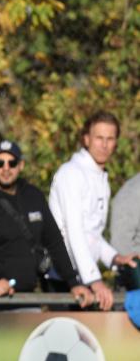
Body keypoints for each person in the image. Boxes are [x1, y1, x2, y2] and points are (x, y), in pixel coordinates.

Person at [0, 140, 93, 306]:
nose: (6, 168)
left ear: (21, 165)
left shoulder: (34, 196)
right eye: (0, 163)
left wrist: (73, 283)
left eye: (12, 163)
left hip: (30, 300)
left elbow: (54, 242)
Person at [49, 112, 139, 310]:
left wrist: (115, 258)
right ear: (86, 139)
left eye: (110, 139)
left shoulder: (100, 177)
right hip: (64, 276)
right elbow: (74, 232)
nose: (104, 145)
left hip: (85, 277)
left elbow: (93, 236)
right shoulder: (71, 173)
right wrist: (95, 281)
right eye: (99, 138)